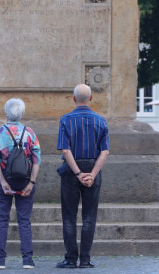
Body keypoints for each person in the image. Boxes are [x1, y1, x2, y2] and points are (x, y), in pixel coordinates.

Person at [55, 84, 110, 269]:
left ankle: (70, 259)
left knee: (69, 217)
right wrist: (92, 174)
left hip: (72, 170)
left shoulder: (66, 120)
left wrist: (78, 173)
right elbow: (105, 151)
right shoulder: (101, 121)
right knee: (89, 217)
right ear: (91, 98)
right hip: (93, 167)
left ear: (73, 98)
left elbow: (65, 149)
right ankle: (85, 260)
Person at [0, 98, 41, 270]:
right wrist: (31, 182)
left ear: (6, 113)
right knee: (24, 220)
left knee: (2, 220)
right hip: (25, 179)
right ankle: (28, 260)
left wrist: (3, 182)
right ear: (22, 114)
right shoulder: (30, 133)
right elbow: (37, 159)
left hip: (5, 178)